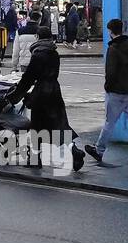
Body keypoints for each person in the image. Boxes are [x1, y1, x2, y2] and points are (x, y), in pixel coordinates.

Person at [5, 26, 86, 172]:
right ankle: (74, 150)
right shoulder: (54, 53)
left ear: (37, 37)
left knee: (37, 126)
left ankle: (35, 159)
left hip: (41, 93)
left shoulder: (38, 55)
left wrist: (14, 97)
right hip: (54, 91)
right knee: (59, 126)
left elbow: (28, 78)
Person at [85, 19, 128, 167]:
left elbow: (110, 73)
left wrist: (108, 87)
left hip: (116, 91)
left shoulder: (113, 48)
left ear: (110, 31)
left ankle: (99, 150)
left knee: (109, 122)